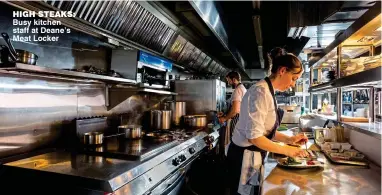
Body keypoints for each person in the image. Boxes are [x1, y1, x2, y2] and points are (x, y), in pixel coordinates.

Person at [226, 48, 309, 195]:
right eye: (294, 78)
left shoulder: (269, 92)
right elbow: (255, 137)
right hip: (244, 158)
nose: (293, 84)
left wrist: (290, 139)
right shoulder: (261, 92)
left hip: (251, 156)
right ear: (282, 71)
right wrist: (288, 150)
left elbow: (264, 130)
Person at [218, 71, 247, 140]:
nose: (228, 83)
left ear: (234, 80)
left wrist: (224, 118)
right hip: (241, 120)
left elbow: (235, 110)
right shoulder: (242, 88)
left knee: (234, 141)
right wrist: (225, 113)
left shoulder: (238, 90)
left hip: (237, 121)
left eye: (228, 81)